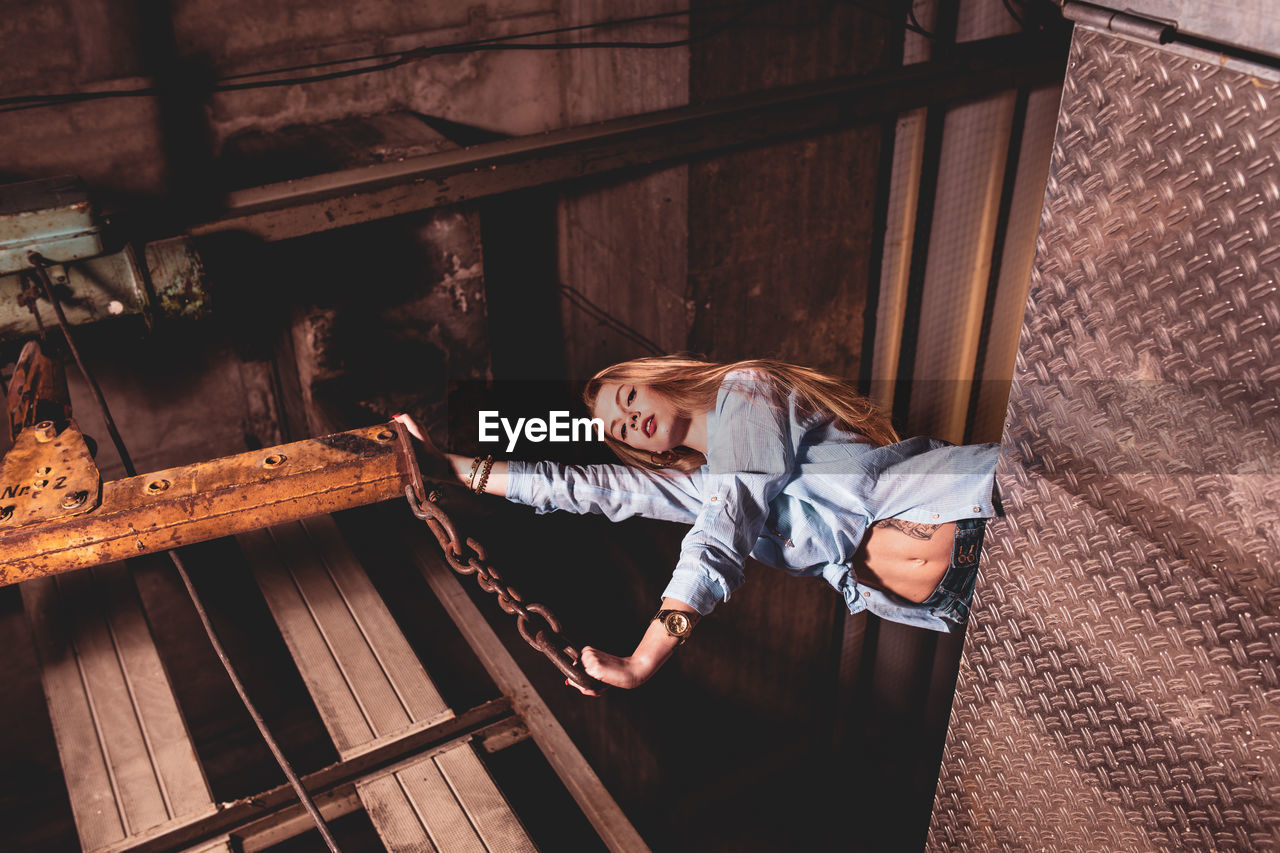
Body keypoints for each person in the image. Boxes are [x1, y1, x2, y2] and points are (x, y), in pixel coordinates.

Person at [399, 355, 1000, 696]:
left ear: (659, 376)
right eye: (617, 428)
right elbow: (584, 488)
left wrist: (644, 660)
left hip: (985, 512)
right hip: (959, 601)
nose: (630, 421)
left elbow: (725, 528)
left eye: (630, 397)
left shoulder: (749, 391)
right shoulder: (698, 483)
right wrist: (447, 467)